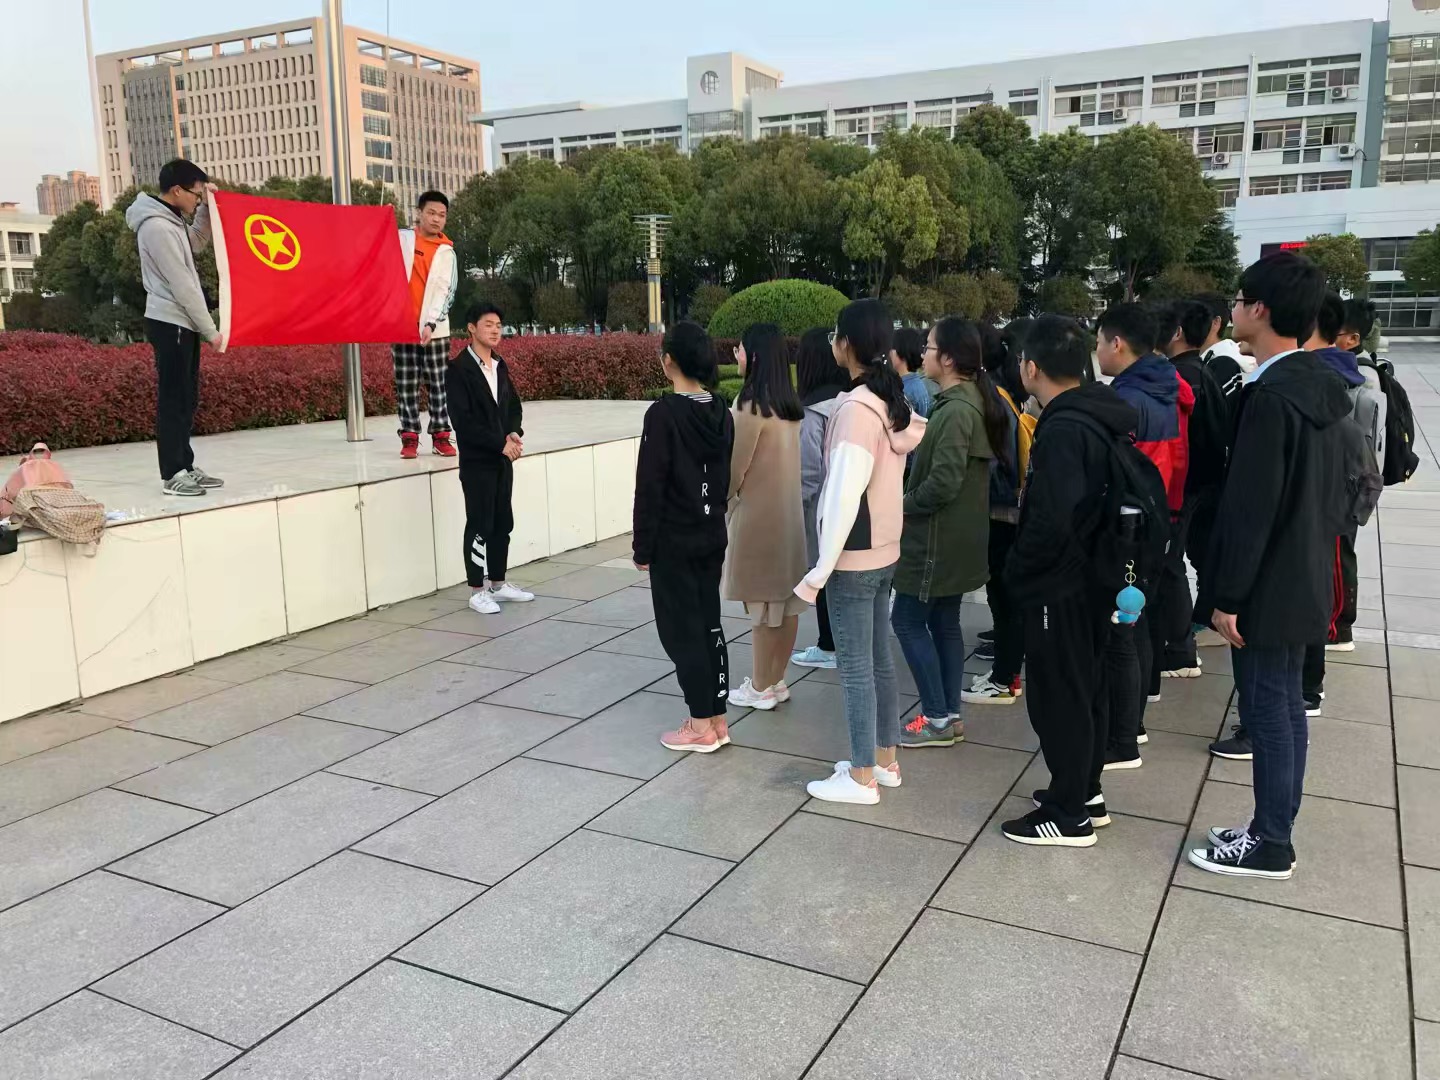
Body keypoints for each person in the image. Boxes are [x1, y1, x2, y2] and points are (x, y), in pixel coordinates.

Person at [1191, 252, 1349, 880]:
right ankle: (1271, 827)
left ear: (1259, 309)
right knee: (1283, 708)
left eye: (1238, 300)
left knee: (1269, 711)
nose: (1232, 310)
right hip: (1302, 571)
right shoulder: (1321, 385)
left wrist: (1228, 595)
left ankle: (1271, 842)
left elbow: (1251, 509)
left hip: (1266, 583)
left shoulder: (1272, 396)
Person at [1000, 314, 1142, 846]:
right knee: (1086, 687)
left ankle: (1068, 813)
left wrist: (1019, 573)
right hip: (1092, 579)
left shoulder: (1063, 429)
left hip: (1060, 586)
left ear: (1032, 368)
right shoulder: (1097, 414)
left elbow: (1051, 520)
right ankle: (1085, 791)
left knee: (1059, 697)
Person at [797, 299, 924, 804]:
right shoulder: (887, 400)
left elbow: (842, 495)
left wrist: (820, 570)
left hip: (854, 557)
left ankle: (862, 776)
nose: (833, 342)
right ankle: (884, 761)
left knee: (856, 669)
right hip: (885, 550)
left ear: (847, 344)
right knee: (878, 661)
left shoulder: (854, 409)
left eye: (836, 334)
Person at [894, 317, 1001, 747]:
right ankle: (948, 715)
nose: (923, 353)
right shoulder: (964, 400)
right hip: (954, 537)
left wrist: (899, 505)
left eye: (930, 346)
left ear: (950, 359)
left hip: (936, 540)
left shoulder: (957, 409)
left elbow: (942, 483)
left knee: (906, 620)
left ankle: (937, 718)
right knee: (943, 622)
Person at [1096, 303, 1194, 763]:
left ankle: (1124, 736)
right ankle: (1137, 712)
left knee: (1124, 629)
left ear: (1117, 344)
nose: (1098, 350)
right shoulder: (1167, 386)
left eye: (1099, 341)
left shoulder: (1129, 400)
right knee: (1139, 620)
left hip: (1132, 528)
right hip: (1163, 516)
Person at [633, 322, 736, 752]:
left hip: (674, 541)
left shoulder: (663, 415)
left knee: (682, 631)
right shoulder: (722, 412)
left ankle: (699, 726)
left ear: (669, 360)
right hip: (711, 535)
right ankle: (717, 718)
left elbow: (650, 485)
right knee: (709, 622)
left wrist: (642, 547)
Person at [1298, 290, 1386, 718]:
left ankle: (1332, 638)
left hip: (1332, 492)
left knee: (1329, 567)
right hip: (1341, 490)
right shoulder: (1353, 372)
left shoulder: (1341, 378)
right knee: (1333, 563)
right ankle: (1333, 629)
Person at [125, 159, 227, 497]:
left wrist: (208, 208)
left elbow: (196, 241)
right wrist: (210, 330)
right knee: (173, 398)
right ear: (176, 190)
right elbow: (182, 284)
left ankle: (186, 465)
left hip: (182, 322)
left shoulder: (172, 220)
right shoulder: (157, 227)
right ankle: (172, 473)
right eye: (196, 194)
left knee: (187, 396)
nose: (197, 198)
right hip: (170, 321)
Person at [724, 323, 810, 710]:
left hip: (759, 518)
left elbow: (734, 469)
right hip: (789, 517)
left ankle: (760, 687)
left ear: (755, 355)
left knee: (761, 608)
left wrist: (724, 502)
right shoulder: (788, 406)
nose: (736, 355)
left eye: (740, 349)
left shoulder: (750, 405)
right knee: (786, 604)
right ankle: (776, 680)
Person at [1155, 301, 1231, 680]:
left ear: (1177, 332)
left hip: (1185, 486)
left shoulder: (1178, 378)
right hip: (1208, 482)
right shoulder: (1204, 370)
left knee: (1169, 563)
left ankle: (1181, 650)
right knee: (1198, 557)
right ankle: (1201, 624)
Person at [445, 302, 534, 616]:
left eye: (498, 325)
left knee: (502, 522)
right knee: (480, 524)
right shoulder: (458, 370)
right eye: (488, 324)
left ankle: (498, 583)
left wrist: (512, 433)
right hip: (478, 462)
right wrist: (499, 444)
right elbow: (463, 421)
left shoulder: (499, 365)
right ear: (471, 328)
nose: (495, 330)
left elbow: (513, 406)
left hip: (502, 460)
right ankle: (476, 590)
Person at [967, 320, 1032, 703]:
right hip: (1008, 511)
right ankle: (1007, 674)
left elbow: (992, 465)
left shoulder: (990, 398)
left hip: (1000, 513)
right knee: (1005, 598)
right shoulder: (1003, 392)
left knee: (1005, 599)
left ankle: (1005, 679)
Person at [792, 328, 852, 671]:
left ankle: (829, 645)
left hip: (822, 512)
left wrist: (795, 515)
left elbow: (809, 474)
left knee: (824, 575)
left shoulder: (812, 412)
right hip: (855, 508)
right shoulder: (850, 401)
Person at [393, 190, 460, 460]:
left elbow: (446, 292)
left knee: (438, 383)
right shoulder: (402, 239)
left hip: (435, 331)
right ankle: (409, 436)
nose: (436, 219)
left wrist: (430, 323)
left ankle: (441, 435)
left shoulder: (447, 252)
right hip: (402, 327)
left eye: (442, 215)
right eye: (431, 213)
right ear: (419, 212)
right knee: (406, 383)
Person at [1196, 292, 1255, 409]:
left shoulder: (1223, 365)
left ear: (1215, 322)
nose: (1184, 324)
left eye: (1193, 317)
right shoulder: (1204, 360)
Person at [890, 327, 933, 419]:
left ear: (902, 351)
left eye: (891, 348)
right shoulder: (917, 383)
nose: (888, 353)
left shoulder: (906, 391)